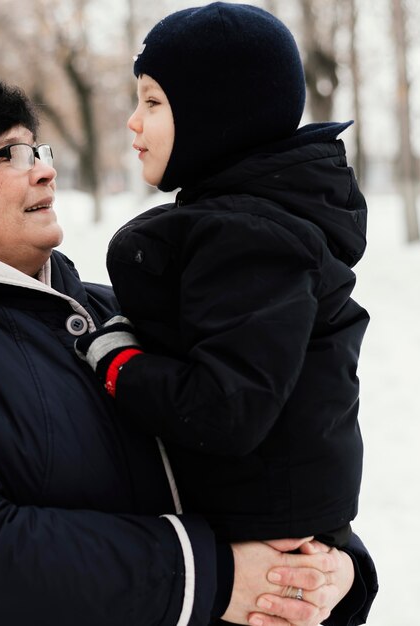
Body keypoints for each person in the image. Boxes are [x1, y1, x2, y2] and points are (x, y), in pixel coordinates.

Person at [0, 78, 374, 626]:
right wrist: (214, 578)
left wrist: (333, 571)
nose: (45, 169)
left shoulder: (116, 310)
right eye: (8, 156)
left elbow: (280, 454)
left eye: (37, 149)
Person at [76, 0, 373, 570]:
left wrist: (118, 362)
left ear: (217, 114)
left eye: (153, 102)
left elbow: (225, 408)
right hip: (256, 529)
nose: (133, 123)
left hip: (264, 545)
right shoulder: (253, 219)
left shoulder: (251, 235)